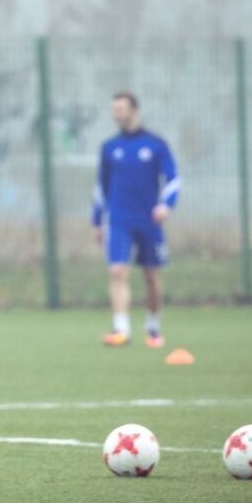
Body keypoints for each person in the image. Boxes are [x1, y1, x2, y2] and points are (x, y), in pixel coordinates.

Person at [91, 91, 180, 348]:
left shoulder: (155, 145)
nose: (116, 114)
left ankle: (153, 326)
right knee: (117, 271)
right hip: (119, 220)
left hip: (149, 220)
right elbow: (101, 187)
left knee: (151, 276)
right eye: (113, 109)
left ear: (134, 110)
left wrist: (166, 205)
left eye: (120, 109)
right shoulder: (109, 148)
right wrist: (97, 221)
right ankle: (121, 329)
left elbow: (173, 178)